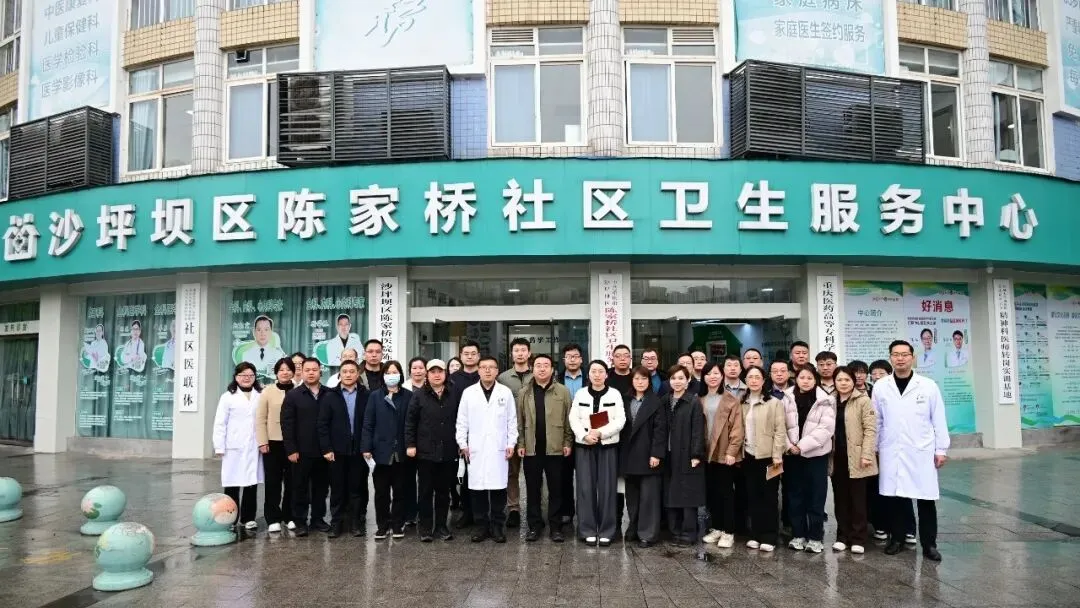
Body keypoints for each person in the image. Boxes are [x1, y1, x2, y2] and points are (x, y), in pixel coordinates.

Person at [875, 340, 949, 562]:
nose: (900, 358)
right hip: (891, 449)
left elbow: (938, 419)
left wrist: (941, 449)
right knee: (896, 498)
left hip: (921, 450)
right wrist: (875, 448)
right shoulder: (881, 386)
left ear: (912, 357)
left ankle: (929, 544)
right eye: (895, 354)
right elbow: (877, 420)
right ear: (890, 357)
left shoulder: (928, 386)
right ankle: (897, 539)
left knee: (926, 499)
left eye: (904, 354)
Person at [457, 356, 517, 543]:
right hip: (475, 448)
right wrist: (462, 444)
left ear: (497, 371)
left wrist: (511, 443)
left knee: (499, 489)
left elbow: (512, 421)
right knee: (478, 490)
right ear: (479, 371)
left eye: (491, 367)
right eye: (484, 367)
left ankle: (498, 526)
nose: (488, 370)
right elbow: (462, 421)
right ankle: (481, 526)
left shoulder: (505, 392)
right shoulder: (469, 393)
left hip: (499, 448)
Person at [516, 354, 573, 542]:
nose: (542, 368)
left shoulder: (562, 391)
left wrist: (567, 442)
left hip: (555, 448)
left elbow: (568, 419)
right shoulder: (524, 392)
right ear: (532, 369)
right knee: (533, 489)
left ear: (552, 369)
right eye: (538, 365)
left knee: (556, 489)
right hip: (531, 448)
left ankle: (555, 526)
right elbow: (520, 420)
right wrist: (521, 443)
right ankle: (534, 526)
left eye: (546, 365)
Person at [569, 360, 626, 546]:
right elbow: (573, 418)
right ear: (588, 375)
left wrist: (601, 433)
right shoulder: (581, 393)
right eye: (593, 371)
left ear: (606, 375)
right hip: (584, 446)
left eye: (601, 371)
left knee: (608, 488)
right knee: (585, 488)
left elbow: (620, 419)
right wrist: (584, 435)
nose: (597, 375)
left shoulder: (614, 394)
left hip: (607, 446)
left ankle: (607, 530)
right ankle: (587, 529)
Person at [783, 364, 836, 554]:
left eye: (809, 378)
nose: (805, 381)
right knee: (795, 496)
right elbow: (779, 425)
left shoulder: (826, 400)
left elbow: (826, 429)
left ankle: (815, 537)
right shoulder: (786, 398)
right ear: (796, 379)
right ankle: (798, 535)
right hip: (792, 456)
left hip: (816, 455)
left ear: (816, 380)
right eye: (802, 377)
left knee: (816, 497)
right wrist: (790, 446)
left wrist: (802, 446)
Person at [405, 359, 459, 542]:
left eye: (440, 371)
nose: (437, 375)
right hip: (425, 451)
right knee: (425, 491)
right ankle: (426, 527)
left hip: (448, 450)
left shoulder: (453, 394)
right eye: (433, 371)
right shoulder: (419, 395)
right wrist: (410, 444)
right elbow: (410, 422)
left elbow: (461, 420)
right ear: (427, 375)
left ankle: (442, 526)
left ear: (445, 373)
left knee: (444, 492)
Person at [361, 360, 414, 539]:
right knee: (381, 493)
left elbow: (411, 423)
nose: (392, 375)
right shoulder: (375, 396)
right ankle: (382, 526)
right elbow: (368, 423)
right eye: (388, 372)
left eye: (395, 372)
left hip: (401, 451)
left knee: (400, 491)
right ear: (383, 375)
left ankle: (398, 524)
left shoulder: (408, 396)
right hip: (380, 451)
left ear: (400, 375)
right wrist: (366, 447)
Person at [281, 357, 333, 536]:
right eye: (307, 370)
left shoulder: (329, 394)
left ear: (320, 372)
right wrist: (291, 449)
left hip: (324, 451)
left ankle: (318, 519)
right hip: (301, 451)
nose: (311, 373)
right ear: (301, 372)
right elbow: (287, 424)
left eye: (314, 370)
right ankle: (300, 521)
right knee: (300, 487)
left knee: (321, 488)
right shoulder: (293, 395)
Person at [318, 360, 370, 538]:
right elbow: (322, 424)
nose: (348, 374)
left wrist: (367, 446)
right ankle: (336, 523)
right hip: (336, 451)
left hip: (359, 450)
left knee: (356, 488)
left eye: (352, 371)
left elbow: (370, 423)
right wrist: (326, 448)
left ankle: (355, 523)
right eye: (345, 371)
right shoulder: (330, 396)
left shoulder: (366, 395)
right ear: (340, 374)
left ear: (357, 374)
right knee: (337, 489)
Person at [829, 366, 877, 554]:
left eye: (847, 380)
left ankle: (858, 538)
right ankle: (842, 536)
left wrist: (867, 454)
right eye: (839, 380)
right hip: (836, 457)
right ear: (834, 382)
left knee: (858, 499)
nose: (843, 383)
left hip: (857, 457)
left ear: (853, 381)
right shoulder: (829, 401)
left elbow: (870, 430)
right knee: (840, 499)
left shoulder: (863, 400)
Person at [739, 366, 787, 552]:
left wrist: (777, 455)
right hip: (749, 456)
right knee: (753, 496)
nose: (753, 380)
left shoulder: (774, 403)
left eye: (757, 377)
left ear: (764, 380)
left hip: (770, 458)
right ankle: (755, 534)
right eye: (750, 377)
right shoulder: (742, 402)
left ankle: (769, 536)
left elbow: (780, 431)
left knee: (769, 497)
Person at [213, 362, 264, 534]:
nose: (247, 378)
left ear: (255, 377)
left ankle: (248, 518)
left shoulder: (260, 395)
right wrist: (219, 446)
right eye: (243, 375)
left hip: (253, 445)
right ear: (236, 377)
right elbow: (220, 423)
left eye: (250, 375)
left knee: (251, 483)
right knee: (232, 484)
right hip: (233, 446)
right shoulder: (227, 397)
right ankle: (231, 518)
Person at [620, 367, 667, 548]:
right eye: (637, 379)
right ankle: (633, 528)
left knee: (649, 498)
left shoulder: (655, 402)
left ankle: (647, 534)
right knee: (632, 497)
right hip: (629, 455)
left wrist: (656, 454)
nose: (640, 382)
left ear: (649, 381)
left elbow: (660, 430)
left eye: (644, 379)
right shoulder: (625, 400)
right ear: (632, 381)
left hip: (648, 455)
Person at [701, 362, 743, 549]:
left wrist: (732, 452)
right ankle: (717, 527)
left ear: (722, 376)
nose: (713, 377)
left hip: (724, 453)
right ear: (704, 377)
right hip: (706, 454)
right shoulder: (700, 399)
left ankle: (728, 531)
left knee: (726, 492)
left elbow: (737, 429)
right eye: (709, 374)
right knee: (712, 492)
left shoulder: (731, 400)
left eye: (716, 373)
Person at [664, 365, 707, 548]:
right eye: (673, 378)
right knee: (672, 494)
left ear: (688, 380)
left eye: (681, 378)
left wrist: (696, 454)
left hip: (687, 454)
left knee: (688, 495)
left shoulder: (693, 401)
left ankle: (689, 533)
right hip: (669, 454)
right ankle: (675, 532)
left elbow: (698, 429)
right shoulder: (665, 400)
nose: (677, 382)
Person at [256, 357, 296, 533]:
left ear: (293, 372)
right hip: (273, 443)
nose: (285, 373)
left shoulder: (299, 390)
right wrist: (262, 441)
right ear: (276, 373)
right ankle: (273, 517)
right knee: (273, 481)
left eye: (288, 369)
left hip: (293, 443)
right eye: (281, 370)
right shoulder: (268, 392)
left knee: (292, 481)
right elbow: (260, 418)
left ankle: (290, 516)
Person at [498, 338, 533, 530]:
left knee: (534, 472)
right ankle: (513, 509)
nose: (520, 353)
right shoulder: (502, 378)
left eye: (523, 350)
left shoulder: (537, 374)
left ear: (529, 353)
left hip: (533, 432)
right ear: (511, 354)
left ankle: (536, 508)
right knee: (511, 472)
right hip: (509, 432)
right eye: (516, 350)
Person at [449, 340, 481, 528]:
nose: (469, 357)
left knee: (481, 475)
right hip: (460, 433)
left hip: (482, 433)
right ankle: (466, 512)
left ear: (478, 356)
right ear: (460, 356)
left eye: (473, 353)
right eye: (466, 354)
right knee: (464, 476)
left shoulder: (484, 375)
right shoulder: (452, 379)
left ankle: (483, 513)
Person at [557, 342, 585, 526]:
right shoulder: (556, 379)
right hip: (563, 433)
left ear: (581, 359)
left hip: (585, 433)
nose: (572, 360)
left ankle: (585, 512)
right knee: (564, 475)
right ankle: (566, 511)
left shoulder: (590, 378)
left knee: (585, 476)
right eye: (569, 357)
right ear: (564, 359)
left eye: (575, 356)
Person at [867, 359, 894, 540]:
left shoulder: (894, 392)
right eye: (874, 374)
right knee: (876, 488)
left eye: (881, 373)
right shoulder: (869, 392)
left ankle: (903, 528)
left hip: (893, 447)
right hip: (874, 448)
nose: (877, 377)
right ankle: (880, 525)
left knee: (896, 489)